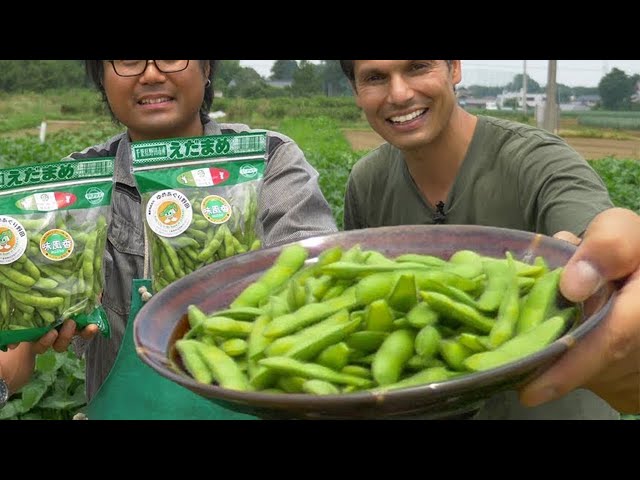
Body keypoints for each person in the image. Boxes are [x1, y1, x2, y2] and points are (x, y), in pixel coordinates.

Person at [0, 60, 337, 420]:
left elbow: (317, 291)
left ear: (206, 69)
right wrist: (32, 331)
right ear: (101, 77)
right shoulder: (78, 189)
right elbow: (13, 361)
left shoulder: (268, 158)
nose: (151, 74)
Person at [339, 59, 640, 419]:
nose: (400, 93)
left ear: (454, 69)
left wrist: (594, 256)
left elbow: (590, 232)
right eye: (375, 78)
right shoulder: (367, 182)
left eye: (418, 66)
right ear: (357, 92)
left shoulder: (538, 160)